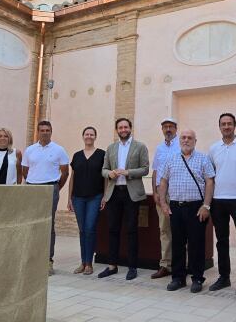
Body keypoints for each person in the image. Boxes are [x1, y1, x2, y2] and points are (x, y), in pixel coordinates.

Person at [157, 129, 215, 293]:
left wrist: (206, 206)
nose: (186, 140)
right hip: (175, 207)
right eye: (183, 137)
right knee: (177, 244)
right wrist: (163, 203)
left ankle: (197, 278)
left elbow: (210, 182)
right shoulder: (171, 159)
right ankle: (178, 278)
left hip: (196, 207)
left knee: (196, 245)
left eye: (190, 138)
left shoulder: (203, 159)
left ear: (195, 141)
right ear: (179, 140)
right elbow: (163, 182)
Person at [207, 113, 236, 295]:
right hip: (218, 200)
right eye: (223, 124)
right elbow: (209, 177)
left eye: (229, 124)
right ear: (219, 127)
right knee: (222, 240)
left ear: (235, 125)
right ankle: (224, 277)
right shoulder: (213, 149)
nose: (226, 127)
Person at [98, 117, 149, 280]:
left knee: (132, 230)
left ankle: (132, 267)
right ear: (117, 130)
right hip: (114, 193)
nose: (123, 130)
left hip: (131, 193)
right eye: (120, 127)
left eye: (125, 127)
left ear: (130, 128)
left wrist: (128, 172)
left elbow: (146, 169)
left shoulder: (140, 146)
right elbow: (103, 169)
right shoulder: (111, 148)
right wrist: (110, 173)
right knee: (113, 229)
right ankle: (112, 265)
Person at [23, 120, 70, 275]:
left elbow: (65, 172)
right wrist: (33, 183)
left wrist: (55, 187)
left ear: (51, 131)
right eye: (42, 130)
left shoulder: (59, 150)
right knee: (31, 224)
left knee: (49, 225)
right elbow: (25, 170)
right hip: (32, 188)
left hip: (51, 187)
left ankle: (48, 261)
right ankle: (32, 259)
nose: (45, 132)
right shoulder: (30, 150)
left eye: (47, 130)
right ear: (38, 132)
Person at [68, 126, 105, 275]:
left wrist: (104, 196)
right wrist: (69, 198)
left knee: (90, 228)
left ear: (95, 137)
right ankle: (82, 262)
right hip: (78, 198)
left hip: (95, 197)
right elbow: (72, 177)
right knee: (82, 230)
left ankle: (89, 263)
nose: (89, 136)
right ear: (83, 136)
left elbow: (105, 178)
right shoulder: (77, 156)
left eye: (91, 134)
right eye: (86, 134)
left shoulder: (102, 154)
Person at [150, 117, 180, 279]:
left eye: (171, 127)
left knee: (180, 230)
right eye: (165, 127)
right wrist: (154, 192)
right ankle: (165, 265)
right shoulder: (160, 148)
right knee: (164, 230)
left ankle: (181, 264)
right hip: (162, 194)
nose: (168, 129)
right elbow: (155, 171)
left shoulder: (181, 144)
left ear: (176, 128)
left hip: (177, 193)